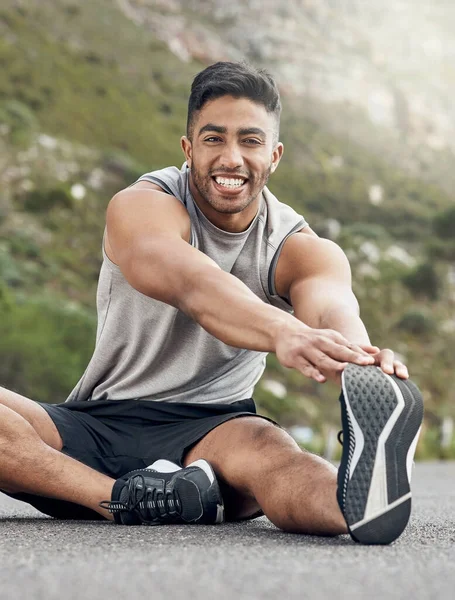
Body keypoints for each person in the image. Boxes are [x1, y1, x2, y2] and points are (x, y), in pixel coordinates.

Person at [0, 61, 423, 545]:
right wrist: (282, 331)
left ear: (275, 154)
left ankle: (359, 501)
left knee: (275, 457)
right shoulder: (141, 206)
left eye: (250, 140)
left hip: (214, 435)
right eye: (214, 138)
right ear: (188, 147)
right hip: (95, 424)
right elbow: (191, 283)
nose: (231, 158)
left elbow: (330, 307)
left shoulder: (299, 247)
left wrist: (362, 362)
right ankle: (123, 498)